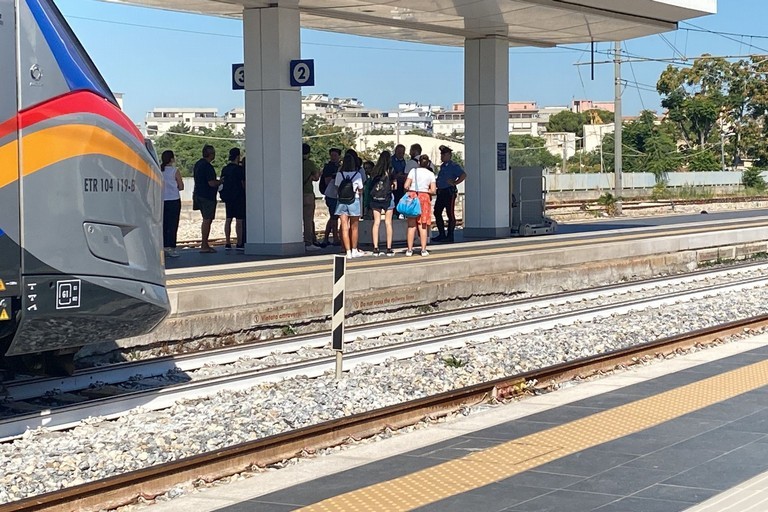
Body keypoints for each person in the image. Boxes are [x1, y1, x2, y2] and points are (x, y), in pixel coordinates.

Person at [403, 154, 436, 256]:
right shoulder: (431, 174)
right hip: (424, 198)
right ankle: (423, 250)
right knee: (423, 225)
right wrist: (426, 190)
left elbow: (406, 185)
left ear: (418, 163)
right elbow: (433, 190)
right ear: (428, 163)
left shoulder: (413, 171)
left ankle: (409, 250)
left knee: (411, 225)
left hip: (413, 196)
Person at [432, 145, 466, 244]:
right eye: (441, 154)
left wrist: (455, 183)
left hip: (449, 192)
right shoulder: (442, 166)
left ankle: (450, 236)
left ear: (449, 155)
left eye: (443, 154)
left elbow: (463, 175)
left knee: (450, 214)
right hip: (441, 192)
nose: (441, 156)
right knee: (437, 212)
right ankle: (442, 234)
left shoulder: (454, 166)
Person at [335, 152, 365, 259]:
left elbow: (337, 188)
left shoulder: (339, 174)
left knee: (344, 227)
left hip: (341, 202)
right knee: (354, 227)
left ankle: (347, 251)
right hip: (354, 201)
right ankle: (354, 249)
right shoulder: (357, 175)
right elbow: (361, 189)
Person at [192, 144, 219, 253]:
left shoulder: (198, 164)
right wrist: (221, 181)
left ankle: (205, 244)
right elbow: (211, 183)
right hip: (207, 196)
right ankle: (204, 245)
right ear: (210, 154)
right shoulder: (208, 166)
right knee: (207, 220)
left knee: (205, 219)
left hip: (198, 194)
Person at [369, 151, 395, 256]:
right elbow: (394, 186)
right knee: (388, 223)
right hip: (387, 198)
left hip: (375, 198)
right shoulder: (391, 170)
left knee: (376, 223)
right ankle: (388, 248)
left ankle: (375, 248)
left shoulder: (375, 170)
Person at [220, 147, 246, 251]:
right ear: (237, 156)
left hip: (228, 197)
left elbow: (222, 181)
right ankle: (239, 243)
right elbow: (243, 183)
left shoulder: (225, 169)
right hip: (239, 196)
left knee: (228, 219)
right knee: (239, 221)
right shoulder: (239, 169)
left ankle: (227, 242)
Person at [160, 150, 183, 258]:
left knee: (163, 224)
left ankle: (163, 246)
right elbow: (181, 186)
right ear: (171, 159)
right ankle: (172, 247)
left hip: (162, 200)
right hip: (174, 199)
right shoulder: (175, 171)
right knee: (173, 224)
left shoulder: (159, 170)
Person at [302, 143, 321, 252]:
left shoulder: (293, 161)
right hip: (308, 193)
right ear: (308, 153)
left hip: (294, 194)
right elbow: (316, 177)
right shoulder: (309, 163)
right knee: (308, 219)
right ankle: (309, 242)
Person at [320, 148, 341, 247]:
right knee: (334, 217)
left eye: (335, 155)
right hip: (331, 194)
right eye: (332, 155)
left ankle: (326, 238)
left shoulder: (339, 167)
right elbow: (327, 181)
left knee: (333, 217)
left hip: (335, 195)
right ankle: (335, 238)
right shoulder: (328, 167)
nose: (333, 157)